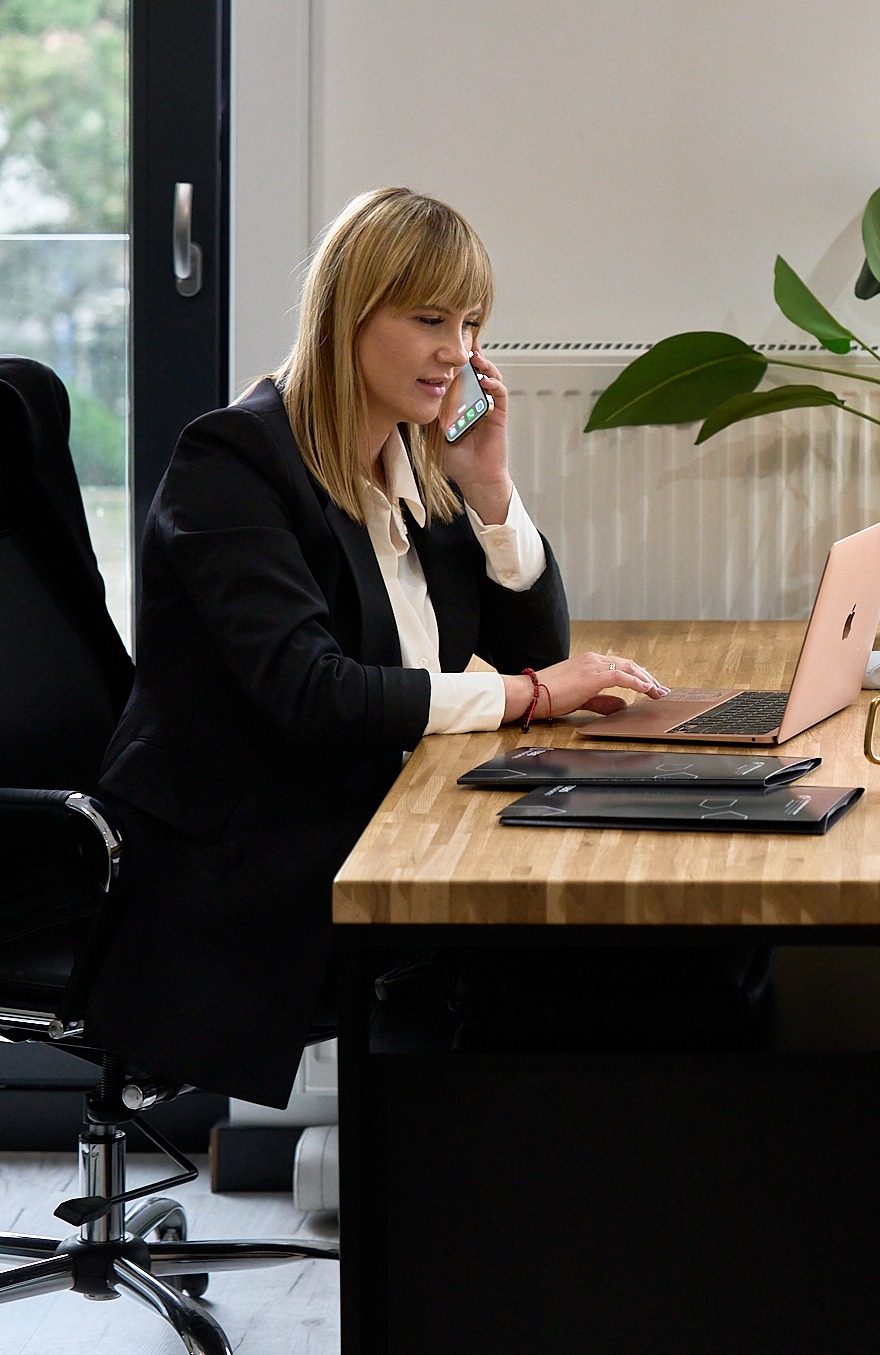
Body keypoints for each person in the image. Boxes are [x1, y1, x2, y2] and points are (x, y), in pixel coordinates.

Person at [88, 187, 667, 1106]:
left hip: (374, 816)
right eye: (430, 318)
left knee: (635, 927)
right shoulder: (233, 465)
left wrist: (489, 486)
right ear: (349, 315)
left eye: (472, 322)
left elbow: (532, 638)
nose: (459, 352)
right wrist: (532, 697)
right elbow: (316, 694)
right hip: (248, 863)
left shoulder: (409, 460)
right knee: (572, 948)